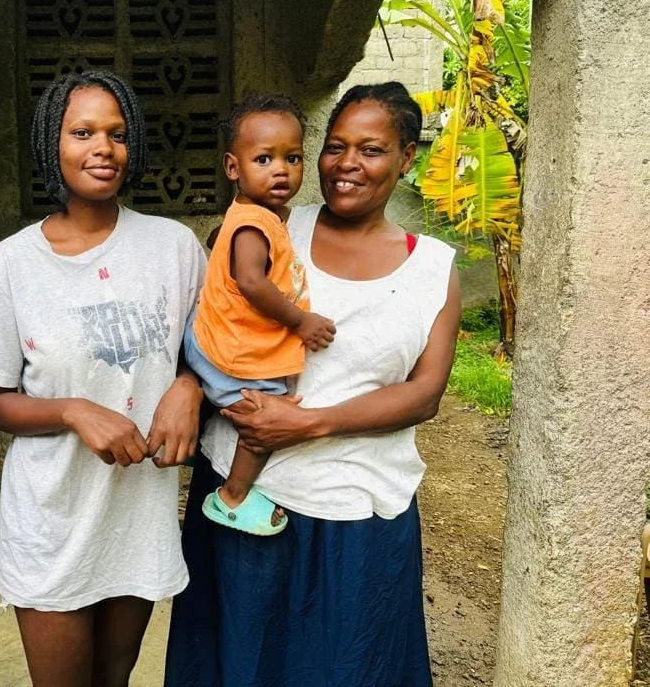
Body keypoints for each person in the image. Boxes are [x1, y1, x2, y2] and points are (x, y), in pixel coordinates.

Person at [165, 82, 461, 686]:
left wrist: (310, 422)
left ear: (407, 157)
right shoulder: (270, 225)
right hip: (245, 500)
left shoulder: (433, 268)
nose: (346, 164)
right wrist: (187, 387)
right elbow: (206, 325)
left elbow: (424, 393)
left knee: (350, 669)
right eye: (335, 146)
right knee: (240, 667)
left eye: (371, 150)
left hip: (359, 514)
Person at [0, 70, 206, 686]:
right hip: (53, 514)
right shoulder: (12, 265)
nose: (103, 147)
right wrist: (75, 410)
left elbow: (212, 350)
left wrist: (188, 386)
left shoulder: (174, 247)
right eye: (82, 132)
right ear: (53, 143)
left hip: (136, 511)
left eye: (117, 134)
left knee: (115, 680)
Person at [184, 93, 336, 536]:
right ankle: (232, 497)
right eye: (264, 159)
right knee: (265, 419)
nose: (281, 170)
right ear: (234, 168)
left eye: (292, 158)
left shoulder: (257, 215)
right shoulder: (253, 224)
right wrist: (300, 321)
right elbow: (251, 282)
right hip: (230, 352)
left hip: (211, 339)